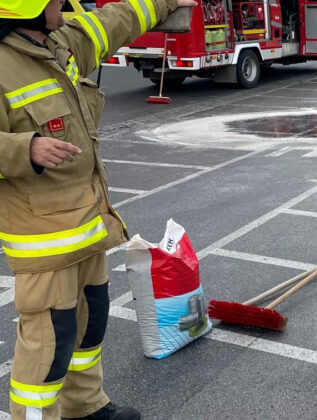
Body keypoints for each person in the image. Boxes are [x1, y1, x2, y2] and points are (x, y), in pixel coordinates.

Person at [0, 0, 196, 419]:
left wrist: (164, 2)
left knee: (90, 325)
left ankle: (85, 408)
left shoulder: (60, 42)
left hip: (87, 225)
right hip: (43, 241)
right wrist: (25, 148)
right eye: (53, 1)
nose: (61, 5)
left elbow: (113, 21)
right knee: (49, 347)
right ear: (23, 9)